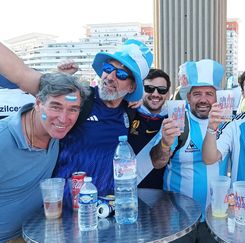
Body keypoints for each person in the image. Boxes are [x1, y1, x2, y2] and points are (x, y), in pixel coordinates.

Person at [0, 40, 153, 208]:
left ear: (131, 87)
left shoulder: (129, 112)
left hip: (106, 209)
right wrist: (60, 76)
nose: (110, 77)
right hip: (67, 209)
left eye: (121, 75)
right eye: (108, 69)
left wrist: (142, 99)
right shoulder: (79, 98)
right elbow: (21, 74)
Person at [0, 72, 87, 242]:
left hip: (38, 233)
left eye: (73, 109)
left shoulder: (55, 135)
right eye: (55, 107)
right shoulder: (3, 138)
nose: (63, 119)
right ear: (38, 103)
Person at [150, 59, 226, 242]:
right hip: (178, 222)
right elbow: (157, 161)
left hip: (217, 220)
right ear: (188, 97)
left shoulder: (227, 122)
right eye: (197, 93)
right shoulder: (178, 121)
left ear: (216, 97)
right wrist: (165, 144)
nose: (203, 99)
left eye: (209, 93)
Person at [128, 68, 171, 189]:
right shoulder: (128, 112)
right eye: (149, 89)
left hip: (160, 195)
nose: (155, 94)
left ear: (167, 94)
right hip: (127, 192)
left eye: (162, 90)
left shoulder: (172, 119)